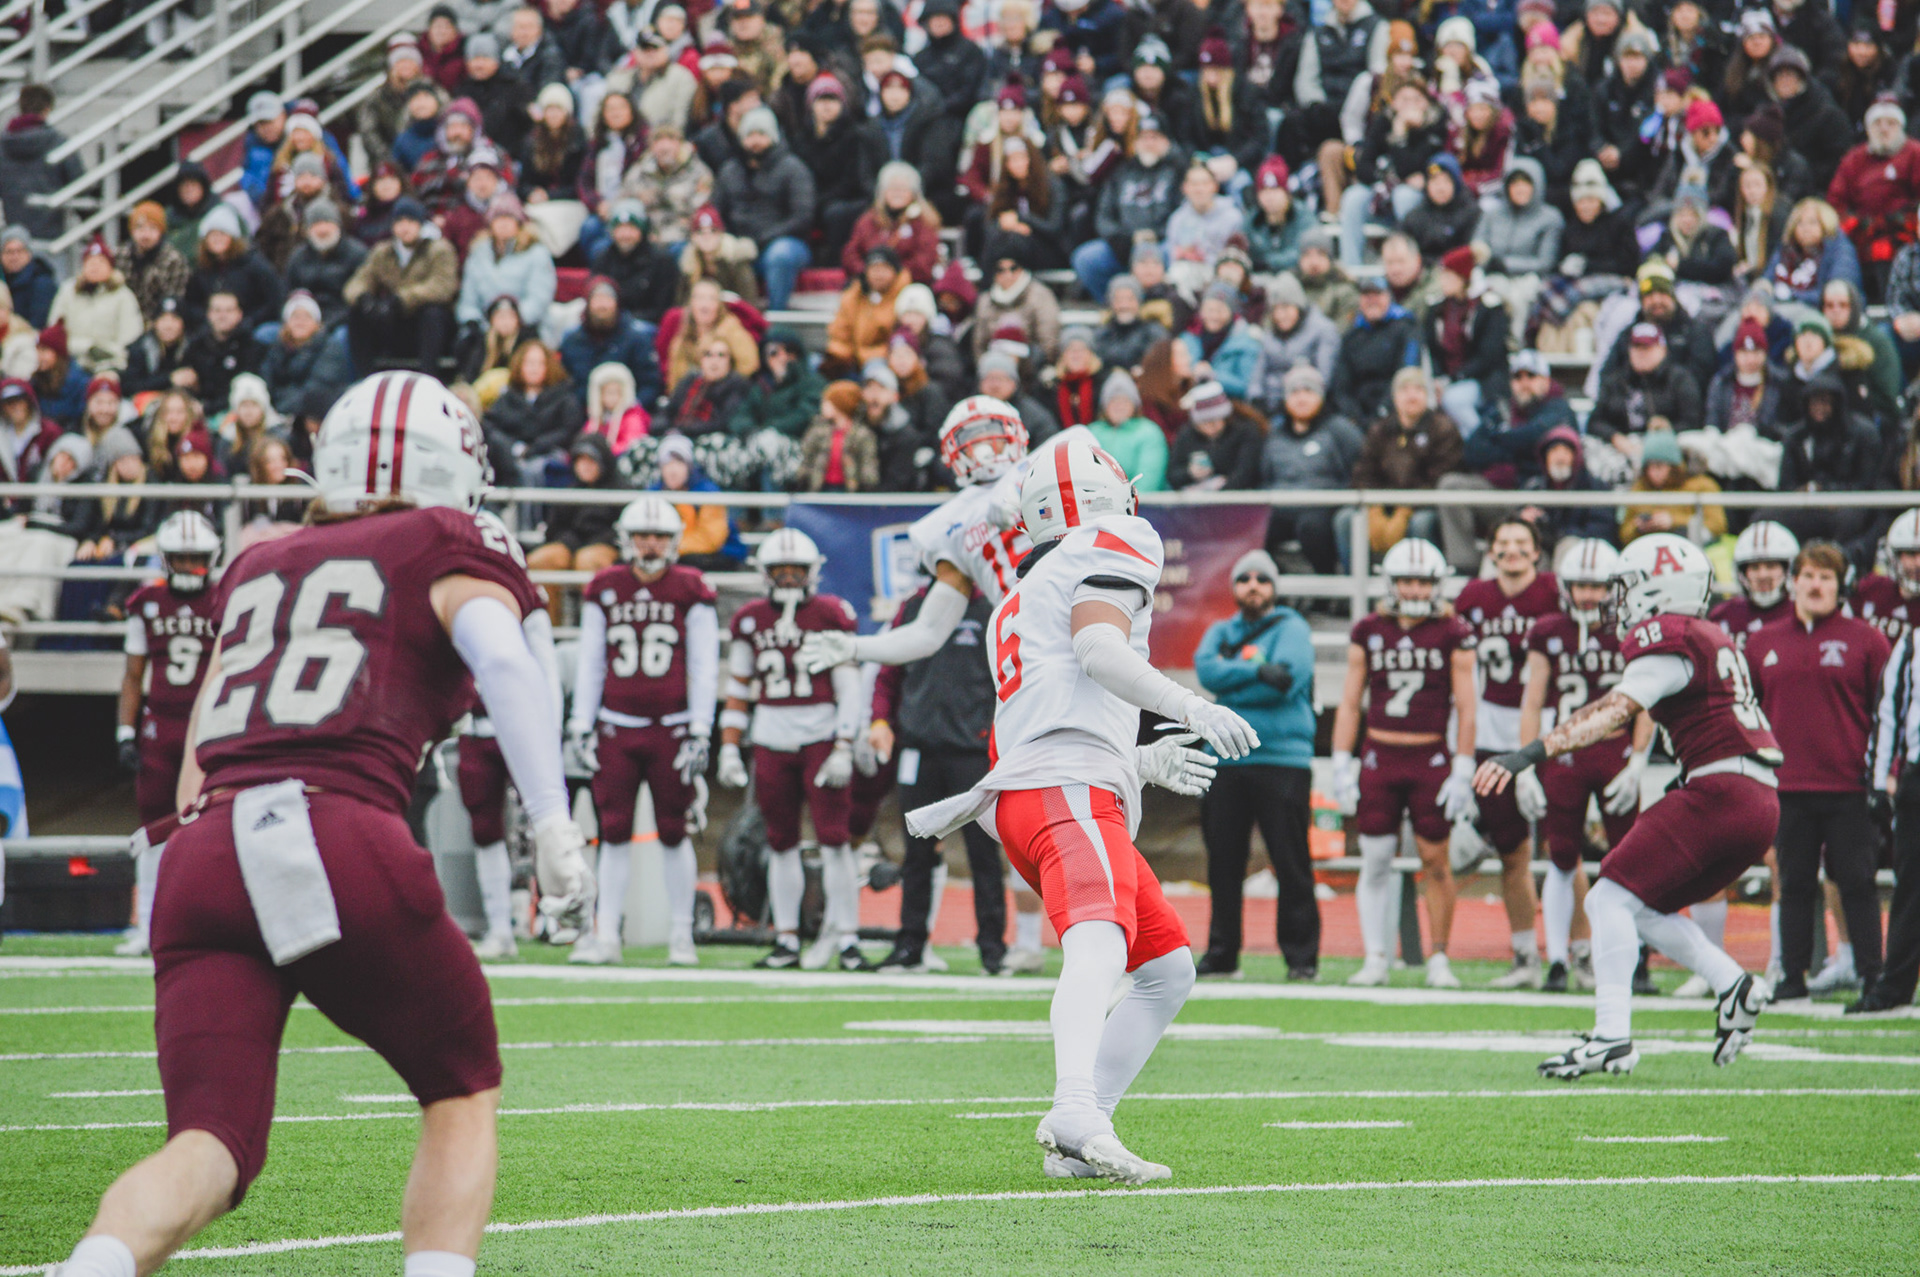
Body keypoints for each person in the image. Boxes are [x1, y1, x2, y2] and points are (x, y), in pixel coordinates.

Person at [43, 371, 595, 1277]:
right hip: (335, 829)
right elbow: (505, 660)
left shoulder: (259, 558)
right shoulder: (443, 538)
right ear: (447, 466)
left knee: (210, 1142)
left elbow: (199, 749)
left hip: (206, 850)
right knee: (460, 1086)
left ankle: (94, 1264)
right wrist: (551, 820)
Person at [898, 436, 1251, 1183]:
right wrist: (1190, 706)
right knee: (1098, 947)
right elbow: (1097, 650)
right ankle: (1074, 1108)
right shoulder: (1115, 538)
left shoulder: (1018, 597)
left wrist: (1139, 761)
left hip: (1032, 796)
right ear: (1103, 498)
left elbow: (1051, 711)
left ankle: (1083, 1129)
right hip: (1067, 791)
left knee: (1167, 970)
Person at [1475, 533, 1778, 1078]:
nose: (1617, 600)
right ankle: (1732, 983)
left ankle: (1612, 1036)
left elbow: (1613, 711)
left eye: (1626, 587)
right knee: (1641, 906)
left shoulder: (1671, 638)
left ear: (1657, 590)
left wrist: (1526, 755)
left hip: (1720, 790)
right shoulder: (1710, 637)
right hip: (1755, 799)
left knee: (1607, 897)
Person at [797, 398, 1082, 973]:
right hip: (1035, 659)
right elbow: (927, 633)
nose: (984, 447)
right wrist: (856, 647)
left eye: (992, 433)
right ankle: (1078, 941)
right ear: (951, 455)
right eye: (969, 438)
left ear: (1018, 433)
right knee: (1043, 813)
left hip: (1086, 615)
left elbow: (1092, 471)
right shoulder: (944, 527)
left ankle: (1105, 940)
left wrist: (1021, 497)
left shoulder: (1060, 456)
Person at [563, 495, 718, 968]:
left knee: (674, 832)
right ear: (626, 540)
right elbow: (591, 661)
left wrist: (700, 728)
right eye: (643, 536)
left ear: (674, 542)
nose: (650, 545)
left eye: (659, 537)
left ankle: (681, 935)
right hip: (617, 727)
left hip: (672, 728)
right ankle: (607, 933)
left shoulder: (690, 587)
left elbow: (704, 664)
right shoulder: (606, 586)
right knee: (613, 833)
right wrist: (581, 723)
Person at [1329, 536, 1480, 988]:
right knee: (1375, 859)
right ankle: (1376, 956)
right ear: (1391, 583)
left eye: (1422, 581)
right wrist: (1341, 760)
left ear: (1437, 584)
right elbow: (1350, 702)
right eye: (1407, 580)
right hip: (1381, 754)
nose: (1415, 589)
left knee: (1436, 861)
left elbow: (1468, 707)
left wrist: (1464, 767)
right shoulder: (1369, 629)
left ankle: (1439, 958)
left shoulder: (1454, 631)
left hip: (1429, 756)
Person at [715, 528, 867, 970]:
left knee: (834, 841)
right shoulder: (750, 619)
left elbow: (849, 687)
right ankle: (786, 939)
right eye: (779, 570)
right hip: (771, 736)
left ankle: (847, 939)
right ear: (764, 573)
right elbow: (738, 689)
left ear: (811, 572)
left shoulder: (830, 614)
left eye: (795, 570)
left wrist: (843, 744)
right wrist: (729, 748)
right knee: (780, 843)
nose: (787, 578)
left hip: (821, 735)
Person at [1747, 542, 1890, 1002]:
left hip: (1849, 784)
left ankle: (1872, 975)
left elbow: (1886, 710)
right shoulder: (1762, 641)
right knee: (1793, 884)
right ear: (1793, 581)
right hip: (1786, 784)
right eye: (1808, 575)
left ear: (1840, 585)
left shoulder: (1867, 640)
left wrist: (1882, 773)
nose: (1815, 584)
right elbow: (1747, 712)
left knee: (1857, 883)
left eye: (1825, 577)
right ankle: (1792, 976)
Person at [1191, 550, 1318, 980]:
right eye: (1244, 579)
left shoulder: (1292, 627)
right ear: (1234, 588)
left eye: (1262, 579)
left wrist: (1236, 681)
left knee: (1291, 861)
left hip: (1282, 759)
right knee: (1223, 863)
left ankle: (1301, 959)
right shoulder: (1220, 630)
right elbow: (1206, 673)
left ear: (1274, 587)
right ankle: (1222, 954)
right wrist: (1259, 671)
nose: (1253, 586)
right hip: (1226, 760)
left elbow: (1289, 681)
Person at [110, 512, 223, 958]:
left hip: (209, 727)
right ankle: (148, 926)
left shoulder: (227, 601)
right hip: (161, 728)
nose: (190, 566)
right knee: (154, 827)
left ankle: (211, 922)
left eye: (198, 558)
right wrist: (125, 732)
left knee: (213, 827)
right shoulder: (147, 603)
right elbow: (132, 675)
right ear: (164, 558)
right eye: (181, 558)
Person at [1453, 518, 1560, 989]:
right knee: (1512, 852)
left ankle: (1576, 955)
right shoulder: (1474, 597)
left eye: (1521, 543)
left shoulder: (1556, 592)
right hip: (1494, 730)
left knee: (1564, 851)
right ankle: (1525, 956)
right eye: (1503, 543)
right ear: (1491, 551)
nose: (1512, 550)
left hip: (1551, 728)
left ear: (1537, 552)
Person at [1260, 364, 1361, 574]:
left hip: (1325, 506)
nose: (1301, 398)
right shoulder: (1275, 434)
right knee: (1254, 527)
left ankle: (1327, 583)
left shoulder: (1339, 430)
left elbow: (1360, 470)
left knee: (1311, 527)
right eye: (1294, 392)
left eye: (1308, 391)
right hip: (1282, 506)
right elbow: (1265, 477)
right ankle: (1274, 581)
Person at [343, 197, 461, 375]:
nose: (405, 228)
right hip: (395, 322)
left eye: (410, 222)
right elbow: (359, 280)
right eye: (399, 222)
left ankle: (429, 375)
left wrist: (402, 300)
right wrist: (363, 298)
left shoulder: (439, 249)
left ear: (420, 224)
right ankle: (365, 376)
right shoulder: (383, 251)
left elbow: (442, 287)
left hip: (427, 325)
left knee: (433, 313)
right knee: (357, 313)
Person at [712, 108, 815, 310]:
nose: (755, 141)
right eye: (749, 134)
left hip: (784, 242)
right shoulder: (729, 170)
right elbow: (716, 211)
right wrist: (728, 241)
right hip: (739, 243)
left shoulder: (793, 168)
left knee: (780, 255)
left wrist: (760, 239)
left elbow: (802, 217)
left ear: (773, 136)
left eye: (761, 134)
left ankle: (775, 320)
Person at [0, 84, 82, 242]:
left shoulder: (3, 145)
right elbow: (80, 184)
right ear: (47, 109)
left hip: (13, 239)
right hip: (52, 237)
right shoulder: (58, 141)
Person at [1712, 520, 1799, 648]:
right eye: (1754, 567)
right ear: (1742, 572)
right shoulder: (1724, 614)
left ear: (1788, 570)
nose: (1762, 575)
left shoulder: (1801, 614)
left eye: (1771, 566)